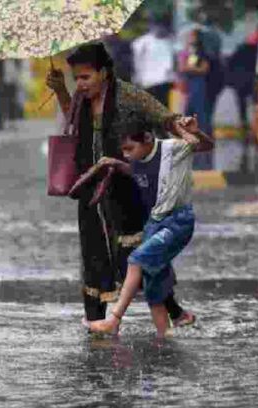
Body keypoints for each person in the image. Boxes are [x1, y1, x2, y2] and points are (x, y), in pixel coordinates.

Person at [45, 43, 196, 328]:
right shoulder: (80, 97)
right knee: (93, 252)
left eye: (85, 77)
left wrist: (183, 125)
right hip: (90, 183)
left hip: (126, 185)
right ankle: (95, 321)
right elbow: (74, 124)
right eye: (76, 77)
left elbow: (163, 117)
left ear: (103, 73)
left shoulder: (129, 96)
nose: (80, 84)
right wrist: (61, 91)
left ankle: (174, 311)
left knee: (139, 254)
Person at [83, 116, 213, 337]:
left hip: (177, 221)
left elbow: (203, 145)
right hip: (155, 222)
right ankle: (165, 338)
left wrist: (191, 131)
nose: (126, 154)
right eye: (123, 151)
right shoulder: (137, 159)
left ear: (147, 138)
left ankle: (114, 320)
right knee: (153, 287)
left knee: (136, 260)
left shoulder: (172, 149)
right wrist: (114, 164)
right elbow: (137, 172)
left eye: (129, 149)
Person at [179, 29, 214, 170]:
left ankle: (205, 153)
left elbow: (204, 69)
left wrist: (189, 68)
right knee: (187, 119)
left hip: (200, 88)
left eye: (192, 36)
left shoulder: (202, 53)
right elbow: (182, 67)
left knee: (202, 120)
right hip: (190, 89)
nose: (189, 39)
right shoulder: (188, 53)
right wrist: (189, 68)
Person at [131, 15, 176, 106]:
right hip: (148, 81)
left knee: (163, 105)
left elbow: (173, 60)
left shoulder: (170, 41)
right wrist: (137, 76)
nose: (159, 28)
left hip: (165, 80)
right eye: (157, 25)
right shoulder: (142, 42)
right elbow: (137, 60)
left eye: (162, 26)